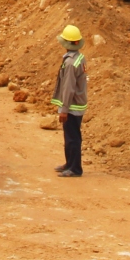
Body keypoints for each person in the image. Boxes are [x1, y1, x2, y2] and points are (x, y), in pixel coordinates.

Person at [50, 25, 89, 177]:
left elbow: (68, 88)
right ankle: (69, 163)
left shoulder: (71, 63)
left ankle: (75, 168)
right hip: (78, 103)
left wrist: (64, 110)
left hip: (72, 106)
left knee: (72, 137)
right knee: (70, 136)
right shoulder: (79, 58)